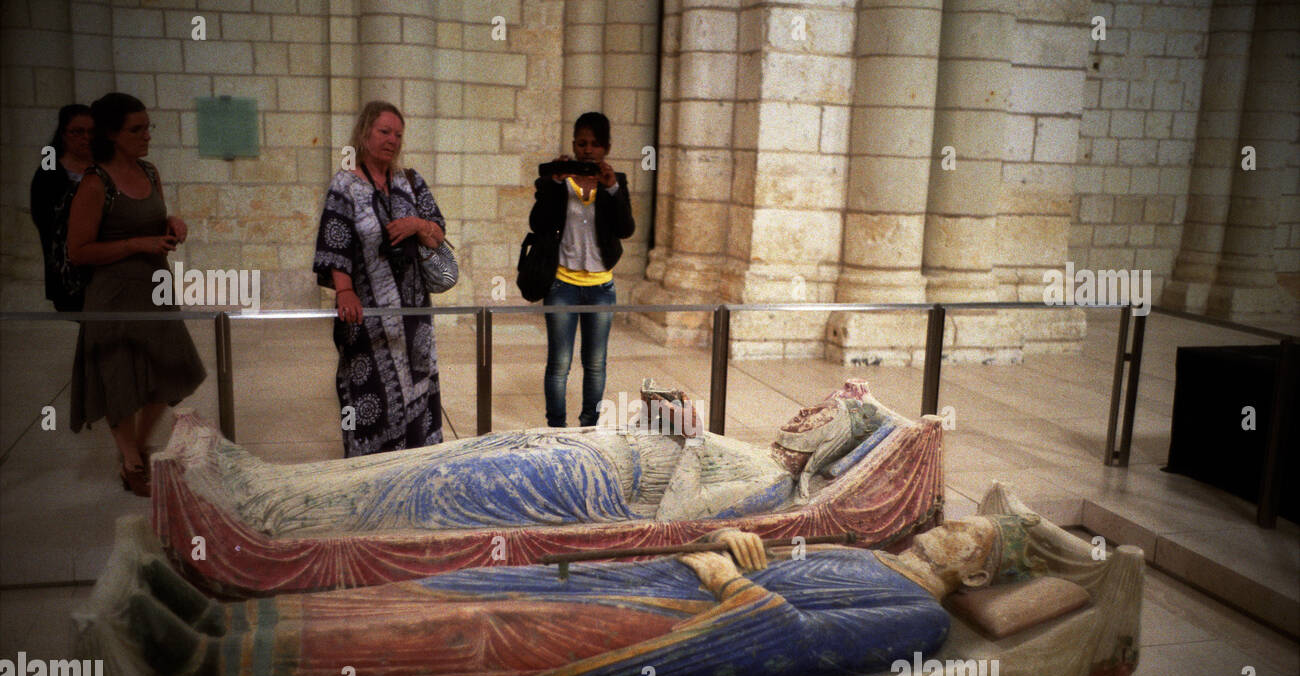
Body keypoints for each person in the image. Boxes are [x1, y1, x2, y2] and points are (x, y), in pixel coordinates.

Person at [126, 514, 1039, 676]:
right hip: (668, 584)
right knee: (463, 589)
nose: (954, 529)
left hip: (676, 633)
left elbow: (792, 644)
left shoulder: (915, 618)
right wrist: (727, 540)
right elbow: (768, 558)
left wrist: (722, 581)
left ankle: (211, 670)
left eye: (973, 538)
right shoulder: (870, 557)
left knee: (476, 636)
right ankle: (230, 623)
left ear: (974, 571)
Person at [173, 380, 899, 536]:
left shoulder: (774, 482)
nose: (802, 413)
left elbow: (677, 526)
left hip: (585, 486)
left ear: (825, 449)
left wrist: (685, 443)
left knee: (436, 484)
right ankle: (269, 481)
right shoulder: (757, 451)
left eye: (820, 419)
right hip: (580, 447)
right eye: (812, 406)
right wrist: (669, 421)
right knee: (446, 454)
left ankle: (270, 514)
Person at [66, 93, 206, 497]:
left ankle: (141, 445)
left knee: (171, 367)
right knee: (118, 376)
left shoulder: (149, 171)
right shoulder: (96, 183)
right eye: (136, 129)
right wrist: (134, 245)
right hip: (113, 295)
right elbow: (78, 251)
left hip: (154, 288)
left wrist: (172, 222)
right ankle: (130, 461)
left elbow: (153, 216)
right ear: (112, 133)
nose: (146, 135)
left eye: (148, 127)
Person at [313, 100, 458, 457]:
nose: (392, 140)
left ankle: (416, 470)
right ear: (364, 133)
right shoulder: (344, 186)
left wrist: (417, 225)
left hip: (414, 315)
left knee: (419, 390)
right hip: (367, 316)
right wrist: (344, 290)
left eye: (398, 134)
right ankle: (367, 471)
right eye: (384, 131)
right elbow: (336, 242)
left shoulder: (411, 181)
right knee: (367, 395)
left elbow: (438, 233)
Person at [530, 112, 635, 427]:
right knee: (559, 364)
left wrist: (613, 189)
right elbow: (537, 224)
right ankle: (555, 427)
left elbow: (626, 229)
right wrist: (553, 186)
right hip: (562, 284)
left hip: (601, 287)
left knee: (595, 363)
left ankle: (589, 426)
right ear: (574, 144)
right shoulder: (557, 181)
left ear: (606, 147)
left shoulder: (616, 182)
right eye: (582, 143)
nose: (588, 150)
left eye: (595, 144)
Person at [30, 104, 95, 313]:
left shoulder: (104, 168)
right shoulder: (50, 172)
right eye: (78, 132)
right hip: (71, 267)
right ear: (64, 134)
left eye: (91, 132)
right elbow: (46, 223)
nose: (86, 137)